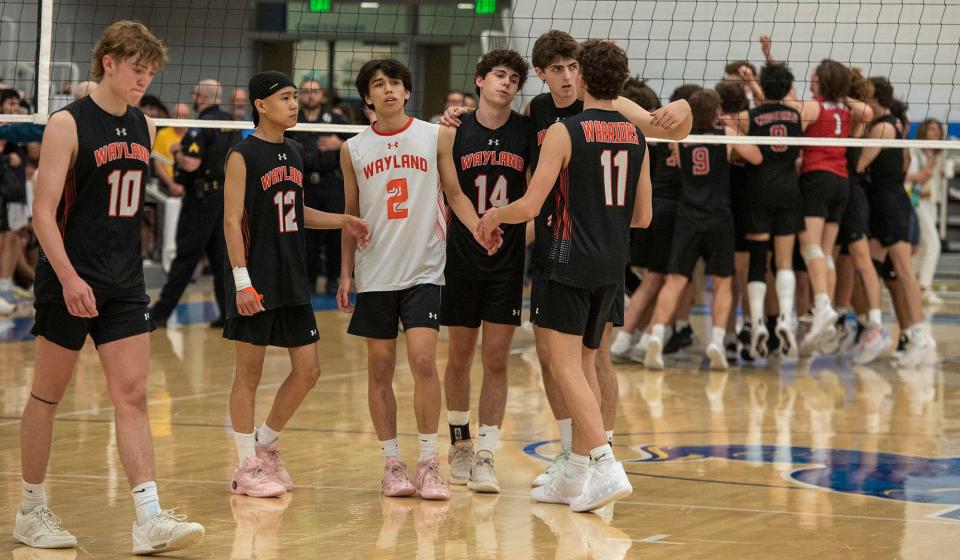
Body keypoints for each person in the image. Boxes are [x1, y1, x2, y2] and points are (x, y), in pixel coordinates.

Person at [16, 20, 204, 554]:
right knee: (47, 396)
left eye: (150, 70)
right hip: (69, 281)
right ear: (109, 63)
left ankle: (147, 516)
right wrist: (70, 278)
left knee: (134, 395)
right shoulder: (66, 124)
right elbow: (43, 213)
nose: (145, 77)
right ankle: (31, 510)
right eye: (137, 68)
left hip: (123, 283)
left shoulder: (143, 124)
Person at [478, 40, 649, 513]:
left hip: (567, 258)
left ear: (586, 80)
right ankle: (576, 470)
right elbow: (643, 216)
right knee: (586, 360)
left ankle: (604, 463)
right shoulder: (636, 137)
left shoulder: (563, 131)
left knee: (565, 364)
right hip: (612, 264)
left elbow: (530, 206)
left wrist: (494, 215)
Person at [222, 71, 371, 497]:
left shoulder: (294, 152)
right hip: (256, 278)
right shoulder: (242, 155)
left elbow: (297, 210)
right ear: (261, 105)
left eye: (294, 97)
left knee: (308, 370)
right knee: (247, 374)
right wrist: (241, 282)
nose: (294, 104)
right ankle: (244, 466)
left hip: (292, 275)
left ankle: (264, 445)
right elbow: (232, 221)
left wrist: (342, 220)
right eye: (285, 98)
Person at [339, 59, 466, 501]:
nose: (389, 90)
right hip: (375, 272)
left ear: (407, 92)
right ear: (368, 98)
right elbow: (350, 215)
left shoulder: (435, 136)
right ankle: (392, 463)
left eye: (395, 82)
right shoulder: (353, 148)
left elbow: (454, 193)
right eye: (379, 85)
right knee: (379, 368)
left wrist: (482, 225)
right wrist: (344, 271)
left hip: (423, 269)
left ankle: (430, 462)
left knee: (425, 362)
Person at [440, 49, 530, 494]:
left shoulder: (527, 133)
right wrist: (478, 228)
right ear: (479, 80)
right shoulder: (453, 129)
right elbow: (451, 188)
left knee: (495, 358)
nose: (506, 83)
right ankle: (459, 441)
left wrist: (511, 231)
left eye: (514, 78)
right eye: (499, 74)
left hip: (507, 259)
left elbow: (535, 193)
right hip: (460, 256)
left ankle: (488, 454)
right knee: (459, 354)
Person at [643, 88, 763, 371]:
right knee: (722, 282)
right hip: (719, 216)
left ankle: (657, 335)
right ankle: (717, 341)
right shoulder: (726, 136)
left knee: (675, 280)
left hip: (688, 215)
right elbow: (756, 157)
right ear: (717, 113)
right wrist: (732, 129)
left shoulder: (679, 138)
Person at [149, 79, 240, 327]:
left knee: (186, 256)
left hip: (201, 200)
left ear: (200, 97)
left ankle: (159, 313)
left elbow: (191, 163)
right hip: (224, 197)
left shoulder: (201, 124)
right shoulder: (232, 123)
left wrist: (178, 152)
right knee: (221, 258)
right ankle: (229, 314)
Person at [857, 77, 933, 368]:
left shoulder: (885, 126)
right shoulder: (892, 123)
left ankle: (919, 334)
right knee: (869, 270)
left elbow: (860, 164)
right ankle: (874, 330)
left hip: (891, 204)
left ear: (874, 96)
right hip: (881, 203)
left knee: (904, 271)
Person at [736, 63, 805, 360]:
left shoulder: (750, 117)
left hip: (758, 190)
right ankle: (786, 320)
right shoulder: (797, 114)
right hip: (789, 189)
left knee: (758, 259)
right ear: (787, 86)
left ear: (763, 85)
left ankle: (759, 322)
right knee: (785, 261)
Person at [289, 77, 351, 295]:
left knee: (335, 233)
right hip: (304, 183)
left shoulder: (335, 119)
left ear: (322, 95)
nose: (310, 95)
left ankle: (333, 279)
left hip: (331, 183)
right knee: (306, 235)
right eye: (305, 91)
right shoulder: (292, 119)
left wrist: (340, 143)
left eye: (314, 91)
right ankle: (309, 279)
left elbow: (357, 146)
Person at [908, 118, 952, 305]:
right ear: (924, 131)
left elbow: (943, 177)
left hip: (932, 204)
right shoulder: (914, 151)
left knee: (923, 247)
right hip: (916, 202)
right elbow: (909, 176)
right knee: (933, 244)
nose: (935, 133)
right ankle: (923, 287)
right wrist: (923, 173)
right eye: (931, 129)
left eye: (937, 130)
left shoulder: (939, 155)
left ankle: (916, 288)